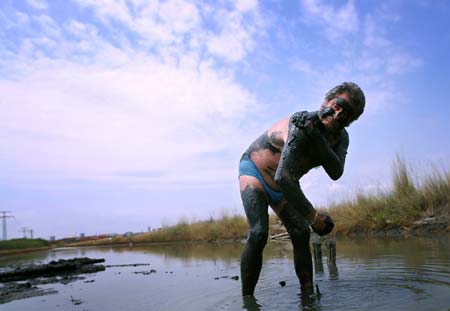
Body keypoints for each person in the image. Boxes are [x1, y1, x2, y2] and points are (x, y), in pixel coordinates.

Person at [238, 82, 365, 297]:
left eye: (346, 114)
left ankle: (308, 297)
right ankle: (247, 300)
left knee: (300, 232)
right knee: (259, 233)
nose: (337, 114)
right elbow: (283, 177)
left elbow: (336, 171)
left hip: (284, 183)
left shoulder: (341, 137)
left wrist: (317, 137)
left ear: (350, 122)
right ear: (326, 101)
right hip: (256, 171)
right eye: (337, 105)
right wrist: (315, 218)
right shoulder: (300, 123)